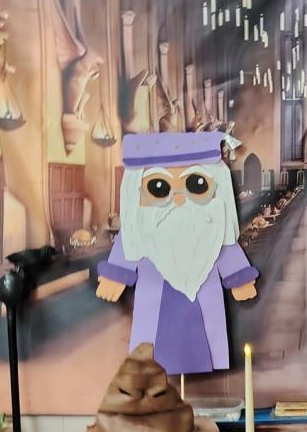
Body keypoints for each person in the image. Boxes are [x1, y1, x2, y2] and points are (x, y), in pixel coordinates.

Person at [96, 132, 258, 373]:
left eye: (196, 184)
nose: (179, 199)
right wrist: (115, 276)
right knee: (152, 349)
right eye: (159, 187)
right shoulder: (139, 228)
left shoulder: (212, 227)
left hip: (203, 297)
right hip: (153, 296)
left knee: (203, 343)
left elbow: (225, 245)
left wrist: (239, 278)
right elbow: (129, 242)